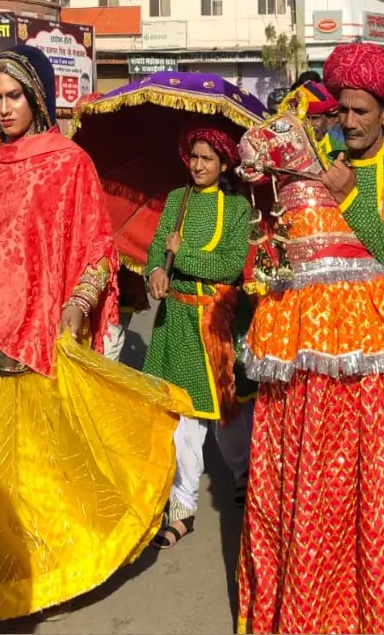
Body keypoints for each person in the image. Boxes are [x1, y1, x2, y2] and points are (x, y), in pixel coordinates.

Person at [0, 46, 192, 620]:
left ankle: (40, 571)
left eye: (13, 97)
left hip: (35, 330)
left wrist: (77, 304)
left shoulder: (68, 162)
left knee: (39, 465)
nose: (2, 109)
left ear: (38, 98)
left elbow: (97, 248)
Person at [237, 41, 384, 634]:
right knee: (317, 501)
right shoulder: (314, 167)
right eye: (342, 110)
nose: (347, 122)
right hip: (318, 370)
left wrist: (346, 196)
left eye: (361, 112)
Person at [144, 123, 255, 548]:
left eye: (208, 159)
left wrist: (180, 254)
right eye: (194, 157)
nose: (199, 165)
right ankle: (183, 505)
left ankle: (244, 473)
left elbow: (228, 266)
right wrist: (156, 270)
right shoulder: (177, 199)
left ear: (224, 163)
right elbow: (157, 246)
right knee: (184, 418)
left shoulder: (237, 207)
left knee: (226, 413)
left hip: (216, 322)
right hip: (177, 320)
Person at [279, 79, 344, 154]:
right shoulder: (289, 148)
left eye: (315, 118)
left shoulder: (339, 148)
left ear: (329, 119)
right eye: (305, 118)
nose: (309, 124)